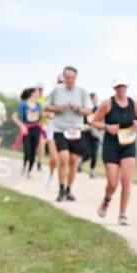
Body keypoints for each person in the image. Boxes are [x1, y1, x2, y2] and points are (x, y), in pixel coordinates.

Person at [92, 75, 137, 225]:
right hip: (111, 146)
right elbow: (94, 122)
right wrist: (107, 127)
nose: (121, 89)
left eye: (123, 86)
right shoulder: (107, 104)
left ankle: (122, 214)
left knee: (126, 180)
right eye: (118, 86)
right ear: (114, 88)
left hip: (128, 145)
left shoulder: (134, 104)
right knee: (113, 183)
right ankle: (107, 199)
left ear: (127, 87)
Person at [46, 67, 93, 202]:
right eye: (67, 77)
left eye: (72, 78)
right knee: (63, 158)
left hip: (76, 130)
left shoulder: (82, 92)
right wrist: (57, 108)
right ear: (64, 77)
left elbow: (89, 111)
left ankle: (68, 190)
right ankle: (61, 189)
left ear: (76, 78)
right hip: (60, 129)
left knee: (73, 161)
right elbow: (47, 106)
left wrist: (77, 109)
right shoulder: (56, 91)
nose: (70, 80)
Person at [11, 87, 44, 178]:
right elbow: (14, 116)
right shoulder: (23, 104)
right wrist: (21, 126)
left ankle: (30, 170)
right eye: (37, 92)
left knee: (34, 150)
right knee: (27, 150)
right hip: (26, 129)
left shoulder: (38, 105)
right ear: (32, 93)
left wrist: (44, 116)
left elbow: (40, 117)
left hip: (36, 129)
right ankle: (25, 164)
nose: (39, 94)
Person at [79, 92, 102, 179]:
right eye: (94, 98)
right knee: (87, 153)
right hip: (86, 134)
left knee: (94, 154)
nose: (96, 100)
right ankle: (80, 162)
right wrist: (85, 126)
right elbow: (81, 122)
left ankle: (92, 171)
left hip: (95, 134)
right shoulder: (85, 110)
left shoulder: (98, 110)